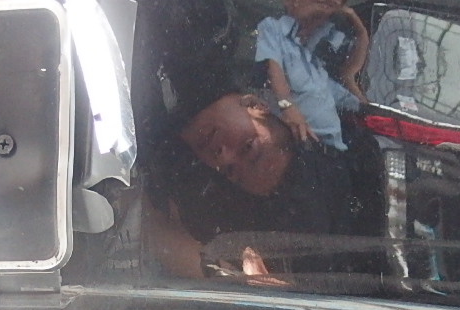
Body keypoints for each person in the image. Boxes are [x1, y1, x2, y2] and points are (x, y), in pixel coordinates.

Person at [146, 90, 379, 279]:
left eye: (229, 171)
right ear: (255, 104)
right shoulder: (210, 55)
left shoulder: (153, 153)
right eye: (248, 147)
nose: (223, 157)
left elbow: (156, 235)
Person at [255, 0, 369, 149]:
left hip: (334, 151)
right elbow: (274, 71)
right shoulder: (273, 30)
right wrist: (287, 107)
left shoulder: (314, 65)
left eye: (329, 12)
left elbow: (361, 106)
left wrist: (361, 33)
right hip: (299, 145)